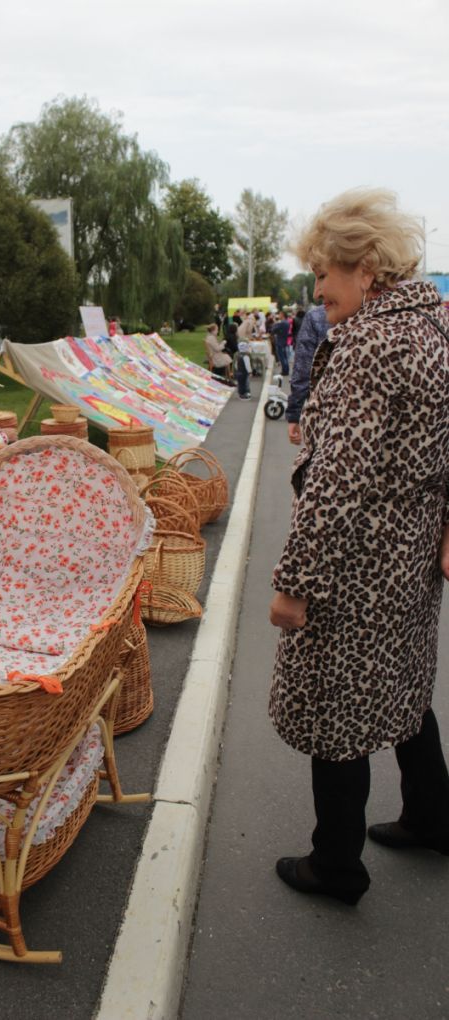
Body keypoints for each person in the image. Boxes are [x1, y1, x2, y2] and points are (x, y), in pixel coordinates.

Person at [268, 187, 449, 906]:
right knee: (404, 688)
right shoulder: (435, 327)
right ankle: (434, 819)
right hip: (411, 559)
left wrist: (294, 584)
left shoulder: (368, 346)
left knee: (335, 712)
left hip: (356, 564)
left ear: (365, 269)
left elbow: (336, 483)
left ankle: (335, 866)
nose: (317, 290)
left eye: (323, 274)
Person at [285, 304, 330, 446]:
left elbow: (303, 369)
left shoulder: (317, 316)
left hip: (325, 415)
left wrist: (294, 414)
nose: (317, 292)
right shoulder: (393, 315)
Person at [271, 309, 291, 376]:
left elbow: (273, 330)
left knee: (282, 357)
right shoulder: (287, 322)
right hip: (284, 341)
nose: (278, 315)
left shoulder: (282, 323)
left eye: (280, 314)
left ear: (282, 315)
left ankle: (284, 371)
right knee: (285, 357)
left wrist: (275, 324)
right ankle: (286, 370)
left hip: (280, 341)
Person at [236, 331, 252, 399]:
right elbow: (247, 365)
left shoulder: (238, 355)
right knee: (245, 383)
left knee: (240, 383)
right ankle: (245, 393)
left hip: (239, 372)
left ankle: (240, 393)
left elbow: (236, 365)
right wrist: (250, 371)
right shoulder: (246, 356)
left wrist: (237, 369)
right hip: (244, 372)